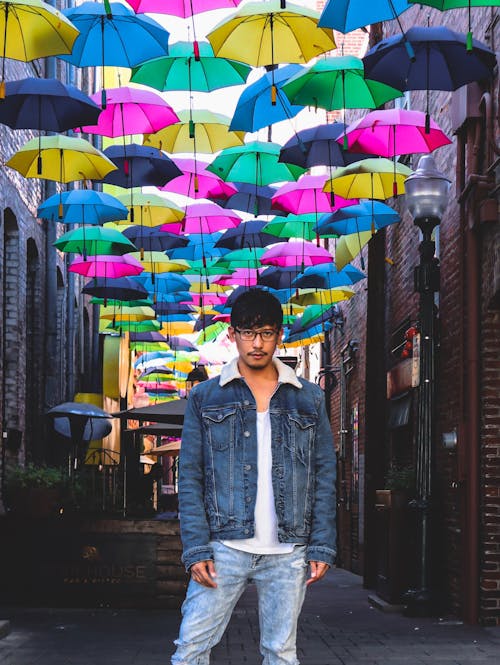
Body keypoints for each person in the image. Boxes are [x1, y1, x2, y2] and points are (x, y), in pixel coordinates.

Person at [172, 289, 337, 665]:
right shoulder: (205, 397)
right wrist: (196, 547)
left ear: (280, 335)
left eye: (266, 332)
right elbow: (191, 475)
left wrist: (322, 543)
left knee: (280, 653)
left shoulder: (308, 398)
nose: (257, 343)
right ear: (232, 335)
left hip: (288, 552)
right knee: (190, 648)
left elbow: (325, 473)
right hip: (224, 549)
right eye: (248, 333)